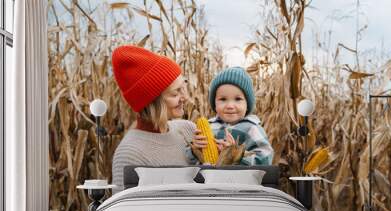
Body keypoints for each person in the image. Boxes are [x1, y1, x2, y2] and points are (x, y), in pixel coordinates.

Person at [111, 45, 196, 192]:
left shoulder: (188, 131)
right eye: (175, 94)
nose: (185, 98)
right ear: (152, 103)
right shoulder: (130, 154)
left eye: (183, 88)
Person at [188, 67, 274, 165]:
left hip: (238, 179)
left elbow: (266, 159)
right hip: (208, 179)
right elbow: (189, 161)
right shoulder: (210, 126)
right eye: (223, 99)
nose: (230, 106)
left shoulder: (252, 128)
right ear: (214, 104)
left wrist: (234, 156)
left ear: (247, 105)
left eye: (237, 99)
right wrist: (194, 150)